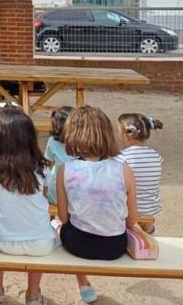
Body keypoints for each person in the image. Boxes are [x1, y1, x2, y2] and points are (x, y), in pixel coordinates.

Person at [0, 107, 59, 305]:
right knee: (41, 226)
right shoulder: (42, 168)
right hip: (40, 243)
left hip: (1, 240)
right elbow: (43, 201)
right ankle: (33, 295)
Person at [57, 106, 138, 304]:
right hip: (115, 246)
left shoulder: (65, 170)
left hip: (78, 244)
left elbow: (64, 217)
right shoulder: (124, 170)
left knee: (60, 225)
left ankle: (83, 283)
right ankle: (83, 285)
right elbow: (132, 220)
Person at [116, 113, 164, 232]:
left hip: (128, 209)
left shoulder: (122, 157)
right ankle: (149, 231)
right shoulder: (156, 156)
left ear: (127, 134)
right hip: (150, 207)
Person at [44, 106, 74, 205]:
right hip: (77, 194)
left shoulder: (52, 141)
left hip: (56, 195)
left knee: (55, 169)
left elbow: (47, 164)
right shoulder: (83, 143)